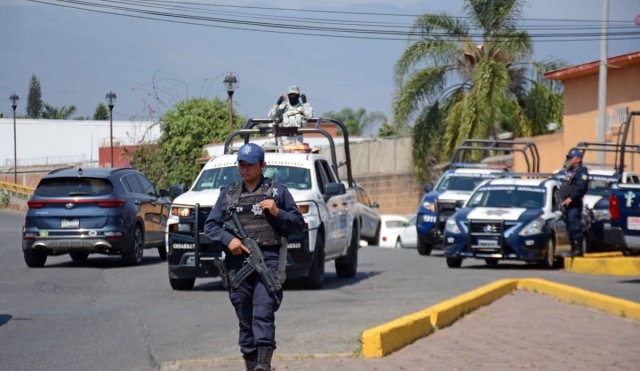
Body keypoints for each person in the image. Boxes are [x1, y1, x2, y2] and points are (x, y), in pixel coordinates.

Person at [204, 143, 304, 371]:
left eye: (250, 164)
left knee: (263, 310)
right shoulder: (229, 194)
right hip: (237, 264)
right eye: (241, 164)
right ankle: (250, 362)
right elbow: (210, 225)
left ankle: (263, 364)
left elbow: (298, 223)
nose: (245, 168)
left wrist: (278, 213)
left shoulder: (278, 192)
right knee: (244, 315)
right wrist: (229, 240)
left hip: (266, 260)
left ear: (262, 165)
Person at [559, 148, 589, 257]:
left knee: (574, 226)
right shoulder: (569, 171)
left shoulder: (582, 172)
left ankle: (577, 250)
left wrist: (571, 198)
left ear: (578, 159)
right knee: (569, 226)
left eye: (571, 158)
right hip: (567, 204)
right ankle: (572, 248)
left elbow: (581, 188)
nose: (569, 160)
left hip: (574, 204)